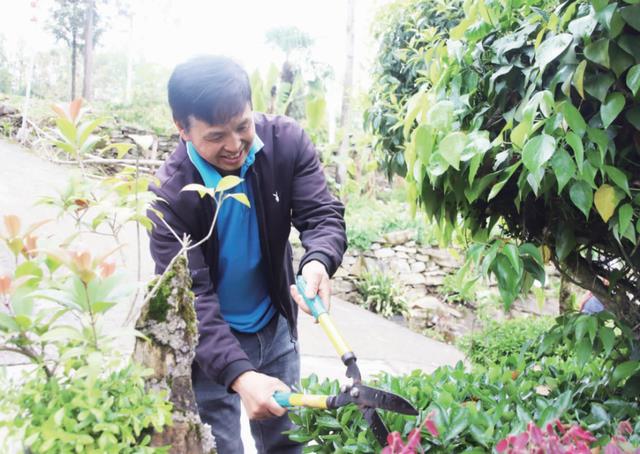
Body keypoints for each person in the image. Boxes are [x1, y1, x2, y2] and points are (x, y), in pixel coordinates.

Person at [148, 55, 347, 453]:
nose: (235, 145)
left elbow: (322, 214)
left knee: (288, 444)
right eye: (216, 136)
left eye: (242, 126)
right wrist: (239, 375)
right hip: (209, 344)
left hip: (274, 329)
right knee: (220, 447)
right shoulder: (169, 197)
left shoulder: (286, 143)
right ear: (182, 128)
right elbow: (192, 297)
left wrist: (317, 261)